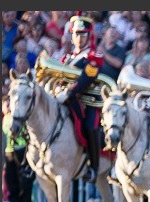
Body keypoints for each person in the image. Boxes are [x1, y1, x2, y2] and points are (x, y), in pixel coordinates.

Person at [54, 12, 105, 183]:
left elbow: (87, 77)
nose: (80, 38)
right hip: (68, 100)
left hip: (89, 102)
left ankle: (94, 167)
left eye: (83, 34)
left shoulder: (94, 56)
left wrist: (69, 92)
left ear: (89, 36)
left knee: (91, 127)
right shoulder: (66, 57)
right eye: (77, 34)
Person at [2, 95, 35, 202]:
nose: (8, 106)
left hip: (23, 152)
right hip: (10, 153)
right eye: (6, 103)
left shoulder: (22, 118)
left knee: (25, 184)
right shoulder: (6, 118)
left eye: (9, 103)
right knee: (12, 184)